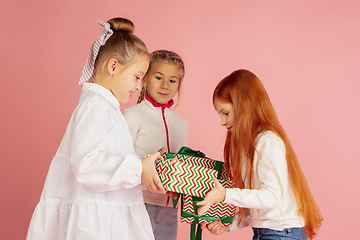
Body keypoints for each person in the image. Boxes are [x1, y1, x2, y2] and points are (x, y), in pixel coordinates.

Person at [26, 17, 166, 240]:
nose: (140, 86)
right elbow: (87, 163)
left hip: (108, 217)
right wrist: (137, 169)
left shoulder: (108, 109)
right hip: (95, 222)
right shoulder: (95, 107)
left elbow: (108, 160)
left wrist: (143, 167)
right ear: (113, 66)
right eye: (137, 77)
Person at [197, 69, 323, 240]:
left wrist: (226, 194)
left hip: (280, 234)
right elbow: (259, 210)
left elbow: (271, 197)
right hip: (269, 233)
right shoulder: (249, 145)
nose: (222, 122)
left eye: (225, 113)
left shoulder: (267, 141)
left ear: (245, 106)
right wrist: (228, 224)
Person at [123, 50, 187, 240]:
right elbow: (122, 160)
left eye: (172, 80)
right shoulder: (132, 115)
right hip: (137, 204)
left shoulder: (181, 124)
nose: (165, 85)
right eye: (158, 77)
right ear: (144, 79)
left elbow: (181, 165)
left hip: (169, 209)